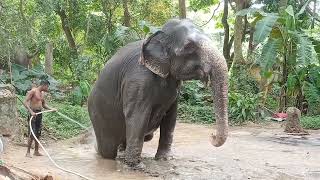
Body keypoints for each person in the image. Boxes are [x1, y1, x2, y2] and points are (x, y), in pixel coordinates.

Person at [24, 80, 56, 157]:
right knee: (32, 133)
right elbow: (25, 102)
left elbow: (44, 105)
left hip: (39, 114)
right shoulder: (33, 91)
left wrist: (52, 109)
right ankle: (27, 152)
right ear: (43, 85)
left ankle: (36, 151)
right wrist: (31, 111)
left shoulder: (42, 94)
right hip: (33, 114)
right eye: (47, 86)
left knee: (38, 133)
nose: (47, 88)